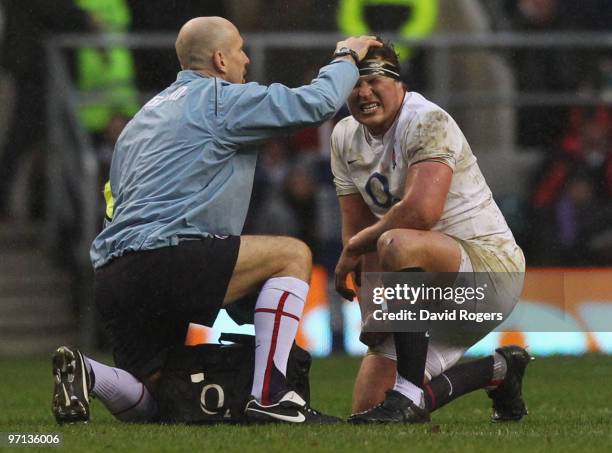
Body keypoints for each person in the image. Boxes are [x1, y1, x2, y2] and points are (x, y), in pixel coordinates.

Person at [51, 16, 382, 425]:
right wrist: (346, 56)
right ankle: (273, 396)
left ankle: (88, 373)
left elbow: (112, 201)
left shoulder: (142, 119)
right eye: (241, 49)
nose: (247, 58)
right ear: (220, 59)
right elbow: (314, 104)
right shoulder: (221, 100)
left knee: (160, 396)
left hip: (113, 274)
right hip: (166, 259)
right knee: (292, 255)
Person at [330, 41, 532, 423]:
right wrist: (373, 312)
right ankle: (499, 372)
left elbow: (421, 213)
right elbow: (357, 234)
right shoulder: (343, 137)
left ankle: (407, 393)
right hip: (422, 290)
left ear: (397, 82)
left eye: (372, 80)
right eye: (352, 85)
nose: (362, 93)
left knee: (397, 240)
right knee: (370, 411)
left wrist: (357, 246)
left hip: (487, 273)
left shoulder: (426, 119)